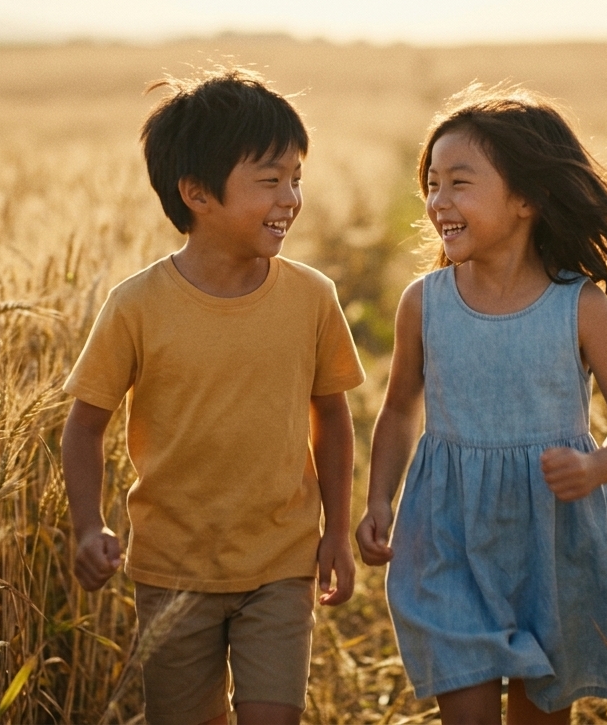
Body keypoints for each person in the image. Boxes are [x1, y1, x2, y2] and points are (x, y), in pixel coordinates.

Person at [61, 67, 365, 725]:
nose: (291, 196)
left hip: (280, 560)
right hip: (171, 567)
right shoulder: (136, 306)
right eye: (269, 180)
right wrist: (89, 524)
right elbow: (84, 426)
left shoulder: (312, 298)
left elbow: (332, 420)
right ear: (197, 193)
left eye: (296, 177)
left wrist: (336, 531)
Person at [355, 85, 607, 725]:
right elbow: (400, 409)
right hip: (448, 532)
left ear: (526, 199)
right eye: (432, 184)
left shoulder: (579, 306)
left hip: (552, 537)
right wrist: (380, 496)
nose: (439, 202)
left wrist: (598, 468)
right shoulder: (424, 301)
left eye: (459, 183)